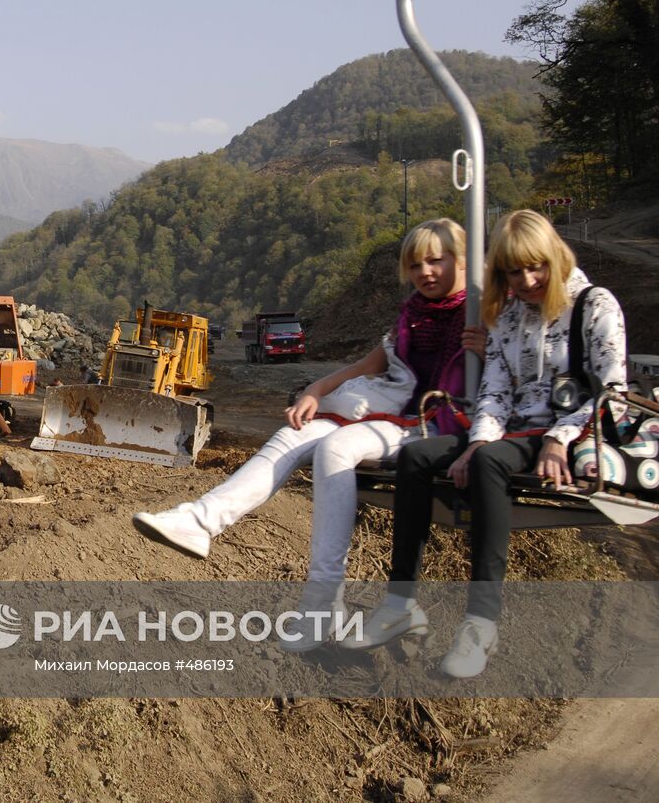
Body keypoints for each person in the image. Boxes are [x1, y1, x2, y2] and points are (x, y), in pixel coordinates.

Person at [132, 219, 482, 651]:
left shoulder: (480, 314)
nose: (425, 272)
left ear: (462, 261)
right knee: (289, 436)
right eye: (415, 264)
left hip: (430, 424)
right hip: (385, 413)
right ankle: (200, 520)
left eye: (436, 260)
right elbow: (362, 367)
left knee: (336, 447)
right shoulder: (412, 316)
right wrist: (315, 391)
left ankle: (322, 605)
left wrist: (482, 352)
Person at [346, 210, 626, 678]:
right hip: (511, 428)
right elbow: (495, 391)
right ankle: (400, 602)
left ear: (555, 257)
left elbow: (612, 392)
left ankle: (481, 622)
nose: (528, 280)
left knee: (491, 463)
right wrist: (476, 442)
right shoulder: (508, 315)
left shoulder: (593, 305)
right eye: (514, 271)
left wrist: (558, 439)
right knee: (417, 455)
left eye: (536, 266)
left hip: (568, 427)